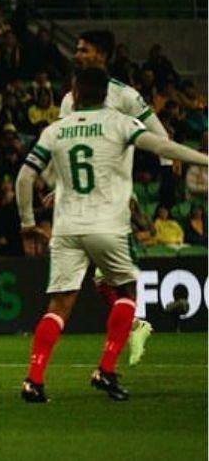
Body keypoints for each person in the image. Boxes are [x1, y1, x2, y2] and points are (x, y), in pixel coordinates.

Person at [16, 68, 209, 403]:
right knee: (126, 293)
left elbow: (24, 178)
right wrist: (204, 159)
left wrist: (27, 223)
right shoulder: (120, 123)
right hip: (107, 226)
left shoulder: (55, 129)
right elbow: (164, 146)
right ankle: (105, 369)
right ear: (106, 94)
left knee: (59, 305)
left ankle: (34, 380)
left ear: (75, 94)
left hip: (67, 228)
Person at [56, 30, 172, 364]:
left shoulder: (125, 96)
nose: (78, 55)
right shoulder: (69, 100)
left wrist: (167, 179)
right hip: (79, 198)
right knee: (101, 278)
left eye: (84, 50)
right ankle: (133, 326)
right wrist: (59, 186)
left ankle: (119, 347)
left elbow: (160, 136)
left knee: (108, 276)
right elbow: (63, 147)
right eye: (77, 49)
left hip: (112, 199)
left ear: (102, 55)